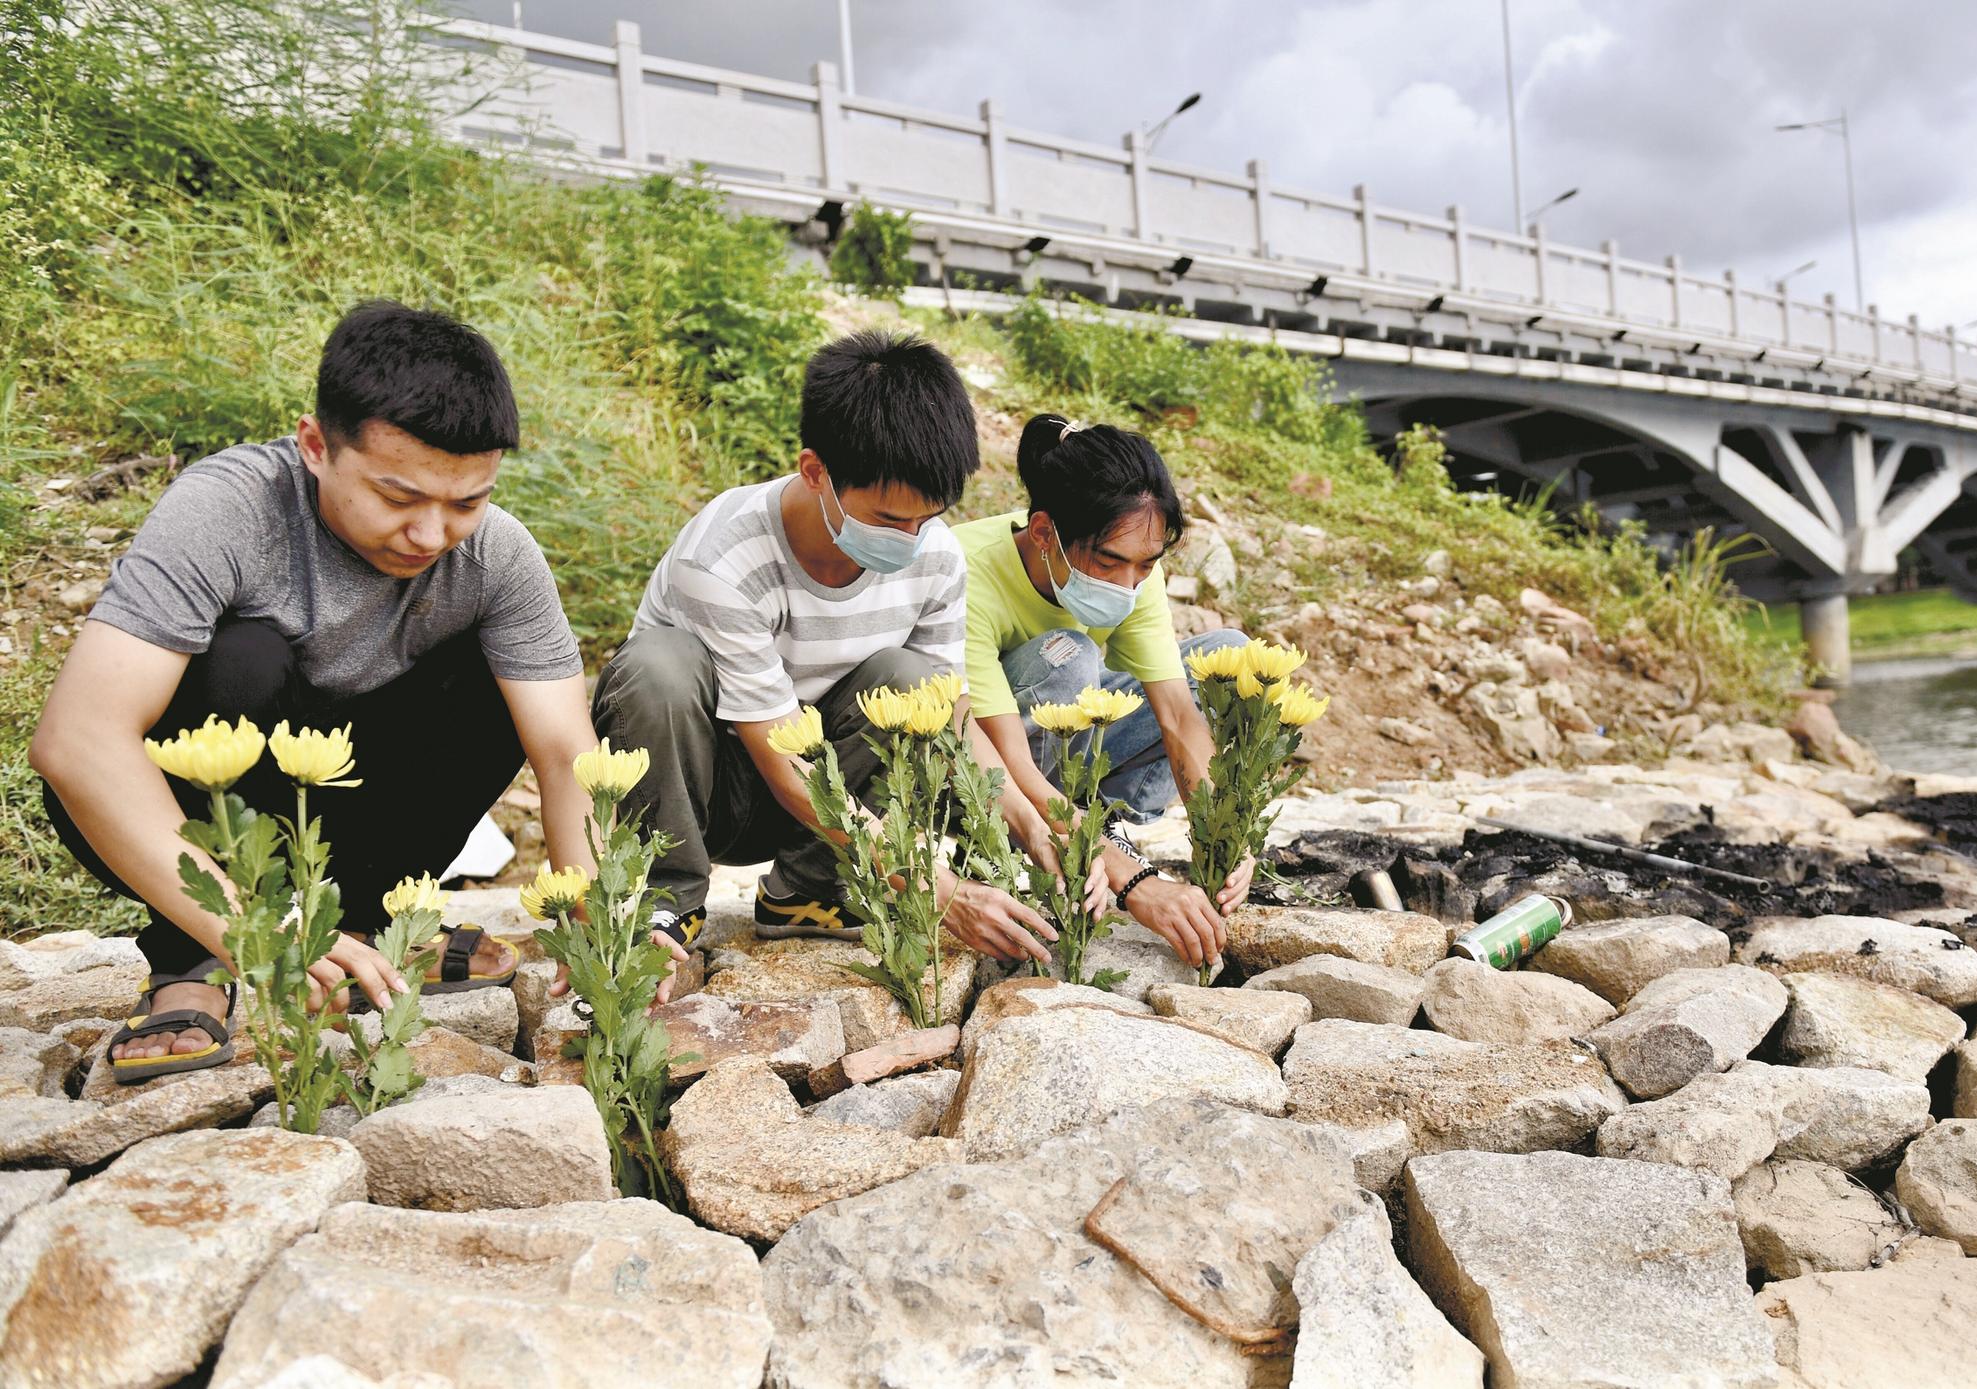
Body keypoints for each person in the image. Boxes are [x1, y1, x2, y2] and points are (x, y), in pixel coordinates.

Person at [30, 300, 687, 1082]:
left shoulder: (498, 558)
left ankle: (376, 925)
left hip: (356, 808)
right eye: (399, 497)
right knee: (244, 657)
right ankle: (196, 955)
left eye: (466, 502)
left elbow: (564, 753)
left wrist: (598, 922)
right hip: (206, 815)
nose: (431, 534)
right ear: (315, 444)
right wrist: (257, 929)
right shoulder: (228, 511)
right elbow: (77, 740)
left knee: (503, 684)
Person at [593, 330, 1062, 963]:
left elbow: (952, 721)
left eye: (929, 517)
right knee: (658, 667)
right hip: (714, 790)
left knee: (913, 681)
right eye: (890, 520)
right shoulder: (725, 556)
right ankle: (666, 903)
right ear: (816, 472)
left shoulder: (937, 558)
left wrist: (1033, 822)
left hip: (831, 801)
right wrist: (940, 889)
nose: (912, 540)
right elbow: (782, 765)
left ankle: (809, 890)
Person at [951, 414, 1256, 973]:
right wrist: (1137, 883)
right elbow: (1006, 761)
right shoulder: (965, 571)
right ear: (1044, 532)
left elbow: (1178, 716)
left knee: (1226, 658)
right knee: (1071, 656)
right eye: (1109, 563)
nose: (1129, 585)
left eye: (1146, 565)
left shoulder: (1134, 568)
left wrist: (1224, 833)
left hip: (1066, 752)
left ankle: (1105, 824)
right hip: (983, 773)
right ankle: (1044, 853)